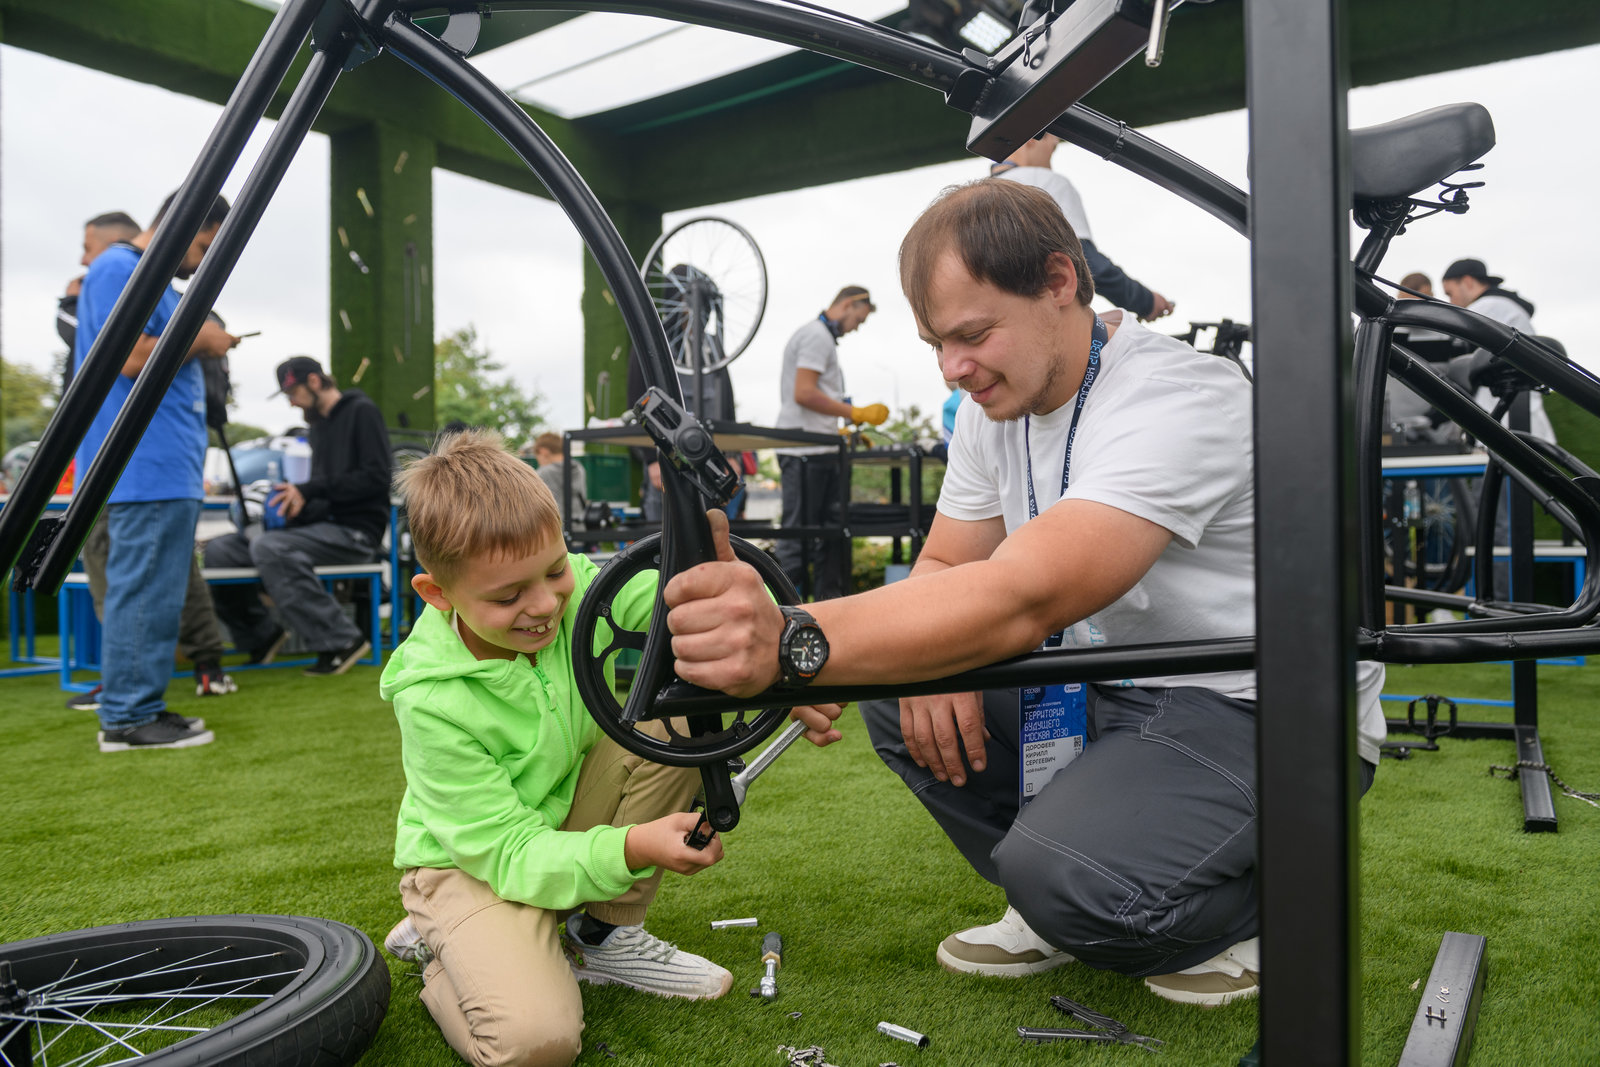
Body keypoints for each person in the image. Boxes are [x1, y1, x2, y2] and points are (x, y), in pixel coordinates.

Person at [663, 179, 1387, 1007]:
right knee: (900, 698)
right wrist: (937, 663)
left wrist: (792, 642)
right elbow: (944, 568)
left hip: (1257, 707)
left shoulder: (1178, 396)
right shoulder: (990, 404)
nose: (954, 369)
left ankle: (1256, 903)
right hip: (1115, 690)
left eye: (972, 334)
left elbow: (1025, 596)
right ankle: (1068, 884)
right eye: (936, 342)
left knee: (1066, 878)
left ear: (1058, 280)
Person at [378, 429, 843, 1067]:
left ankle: (600, 933)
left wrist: (777, 668)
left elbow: (671, 599)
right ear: (437, 593)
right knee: (533, 1046)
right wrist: (632, 847)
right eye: (509, 595)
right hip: (473, 865)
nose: (545, 605)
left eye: (554, 571)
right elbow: (508, 850)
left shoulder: (578, 595)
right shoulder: (430, 697)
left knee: (679, 723)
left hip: (560, 821)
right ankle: (447, 951)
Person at [74, 190, 241, 752]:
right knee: (143, 590)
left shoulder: (147, 280)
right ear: (180, 224)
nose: (199, 260)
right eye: (200, 243)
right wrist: (209, 339)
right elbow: (130, 355)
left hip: (161, 465)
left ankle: (139, 705)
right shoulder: (120, 266)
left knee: (156, 591)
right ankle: (126, 717)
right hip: (142, 463)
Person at [204, 356, 390, 676]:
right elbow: (320, 492)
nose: (292, 403)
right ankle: (261, 637)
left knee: (270, 547)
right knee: (220, 550)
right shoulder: (316, 429)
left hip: (355, 532)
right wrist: (293, 505)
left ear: (314, 382)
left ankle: (341, 640)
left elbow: (376, 478)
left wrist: (309, 490)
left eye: (293, 393)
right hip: (319, 528)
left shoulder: (362, 412)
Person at [774, 286, 888, 600]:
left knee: (827, 536)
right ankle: (785, 609)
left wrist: (838, 430)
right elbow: (805, 393)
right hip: (803, 454)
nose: (855, 328)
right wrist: (854, 412)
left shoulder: (822, 338)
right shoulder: (816, 336)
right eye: (858, 320)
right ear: (848, 304)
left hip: (817, 450)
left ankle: (827, 607)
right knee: (798, 538)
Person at [992, 133, 1175, 322]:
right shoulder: (1048, 183)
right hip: (1045, 323)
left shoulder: (977, 200)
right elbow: (1086, 261)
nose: (1051, 161)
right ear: (1031, 139)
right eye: (1053, 148)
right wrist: (1146, 301)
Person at [1441, 257, 1555, 443]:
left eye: (1450, 293)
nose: (1450, 301)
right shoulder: (1506, 308)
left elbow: (1460, 359)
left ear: (1467, 282)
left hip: (1507, 423)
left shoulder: (1485, 307)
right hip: (1524, 420)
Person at [532, 431, 587, 526]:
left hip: (556, 534)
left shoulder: (543, 473)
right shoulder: (579, 468)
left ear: (543, 451)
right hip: (579, 530)